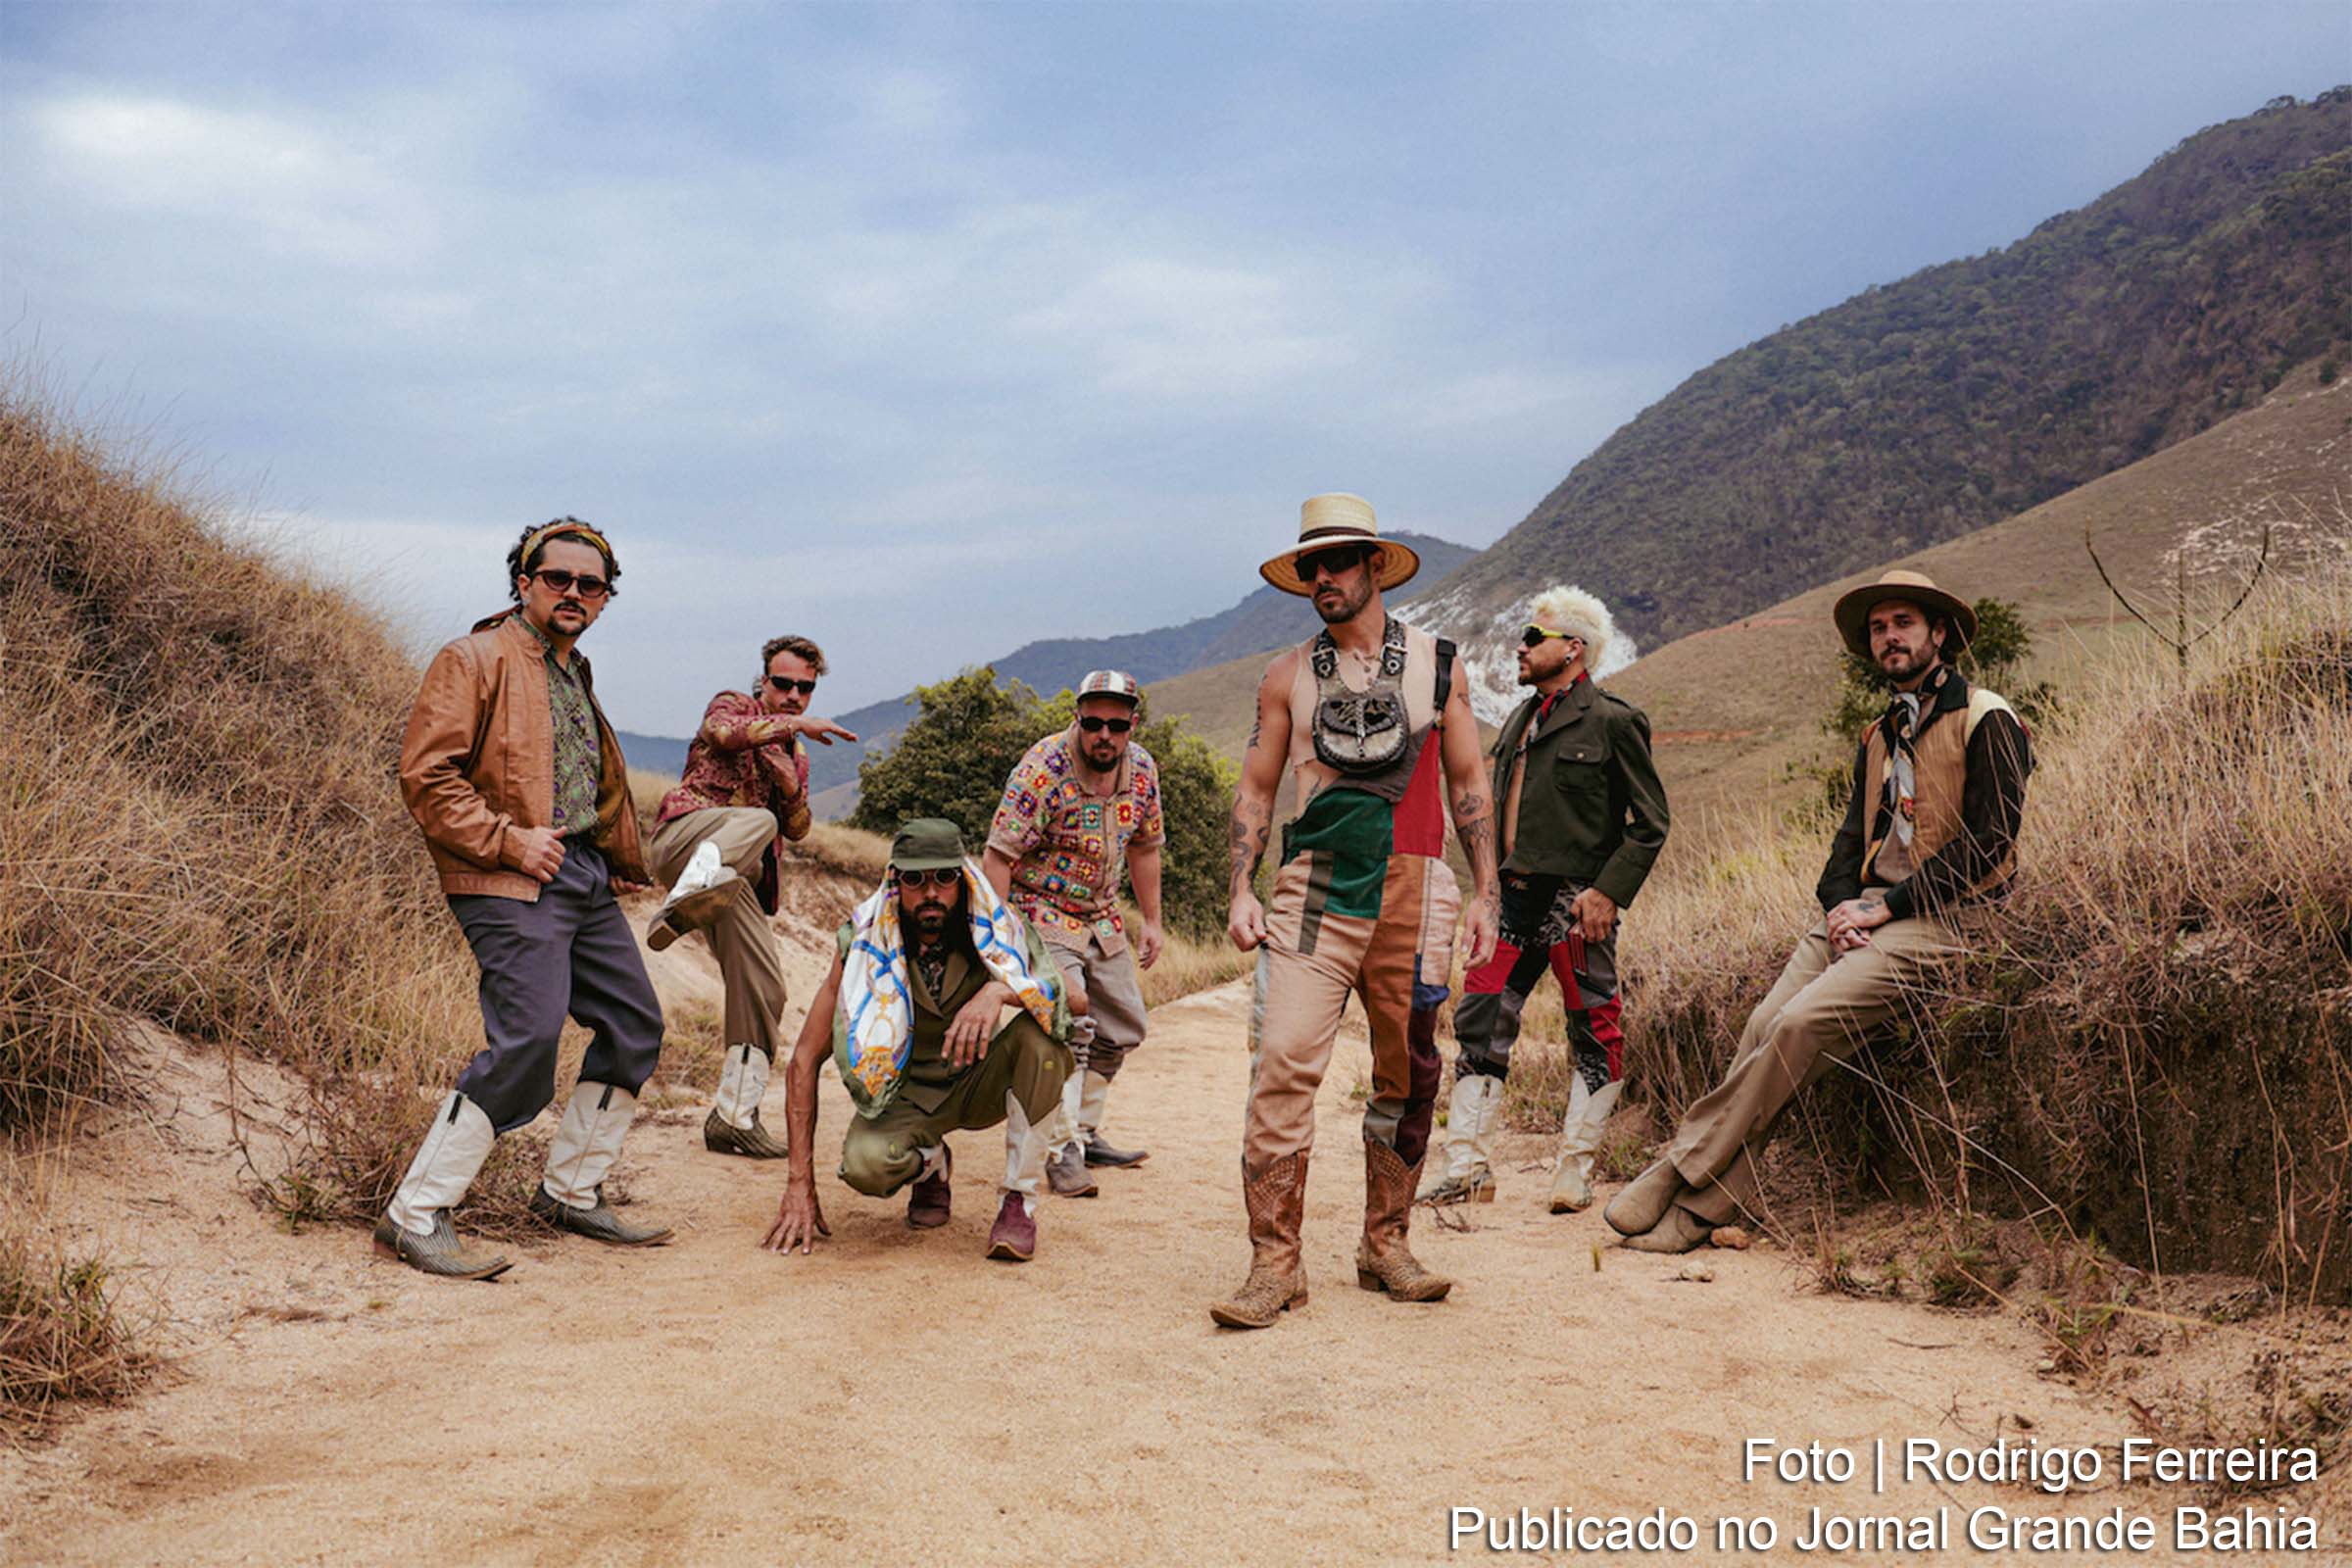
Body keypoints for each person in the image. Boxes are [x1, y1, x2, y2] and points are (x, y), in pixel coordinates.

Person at [1605, 569, 2032, 1253]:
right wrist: (1840, 909)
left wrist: (1887, 908)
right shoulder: (1879, 734)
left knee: (1800, 1024)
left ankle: (1679, 1168)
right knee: (1763, 1023)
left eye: (1904, 623)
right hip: (1869, 913)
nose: (1890, 637)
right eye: (1878, 628)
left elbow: (1992, 842)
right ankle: (1704, 1211)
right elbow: (1846, 844)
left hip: (1951, 919)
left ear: (1939, 633)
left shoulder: (1987, 717)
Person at [1211, 493, 1500, 1329]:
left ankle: (1386, 1244)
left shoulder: (1441, 664)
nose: (1322, 578)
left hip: (1417, 885)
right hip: (1314, 887)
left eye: (1338, 562)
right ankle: (1275, 1265)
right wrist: (1238, 887)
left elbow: (1469, 781)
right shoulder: (1286, 674)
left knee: (1408, 1070)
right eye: (1311, 566)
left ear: (1376, 565)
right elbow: (1258, 788)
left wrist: (1485, 890)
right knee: (1282, 1066)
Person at [380, 517, 671, 1279]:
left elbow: (577, 779)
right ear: (523, 582)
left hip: (579, 875)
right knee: (529, 1038)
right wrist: (512, 841)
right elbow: (426, 778)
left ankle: (570, 1192)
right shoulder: (472, 657)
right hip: (508, 875)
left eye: (591, 584)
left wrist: (606, 854)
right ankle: (415, 1212)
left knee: (634, 1023)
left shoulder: (576, 669)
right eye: (558, 579)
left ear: (606, 599)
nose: (574, 592)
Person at [1420, 586, 1668, 1214]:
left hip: (1575, 904)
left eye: (1535, 637)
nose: (1521, 646)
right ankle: (1468, 1167)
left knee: (1594, 1028)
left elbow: (1650, 822)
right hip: (1511, 900)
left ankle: (1574, 1172)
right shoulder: (1520, 718)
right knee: (1479, 1020)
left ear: (1573, 648)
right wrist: (1487, 890)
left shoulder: (1614, 720)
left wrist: (1609, 891)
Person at [760, 818, 1077, 1263]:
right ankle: (931, 1163)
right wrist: (798, 1184)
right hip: (906, 1098)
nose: (931, 892)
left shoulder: (995, 927)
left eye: (944, 877)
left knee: (1044, 1044)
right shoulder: (865, 942)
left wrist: (1001, 990)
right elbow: (804, 1061)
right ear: (896, 882)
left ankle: (1017, 1204)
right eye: (915, 879)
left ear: (963, 878)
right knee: (865, 1167)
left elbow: (1076, 999)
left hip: (976, 1084)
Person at [648, 634, 858, 1158]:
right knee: (757, 821)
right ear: (763, 681)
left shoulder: (796, 754)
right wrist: (793, 728)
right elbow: (721, 732)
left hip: (731, 879)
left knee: (767, 986)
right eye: (782, 684)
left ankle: (734, 1117)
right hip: (682, 840)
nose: (793, 696)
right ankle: (684, 897)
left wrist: (789, 787)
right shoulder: (734, 707)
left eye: (803, 690)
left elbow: (801, 829)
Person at [982, 668, 1164, 1200]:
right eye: (1092, 723)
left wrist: (1151, 919)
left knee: (1125, 1026)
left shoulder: (1143, 770)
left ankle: (1084, 1132)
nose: (1103, 735)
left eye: (1116, 724)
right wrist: (1004, 938)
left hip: (1101, 912)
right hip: (1041, 907)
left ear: (1132, 724)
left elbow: (1145, 846)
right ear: (1078, 719)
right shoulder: (1042, 769)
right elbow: (999, 854)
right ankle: (1060, 1150)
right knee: (1072, 1018)